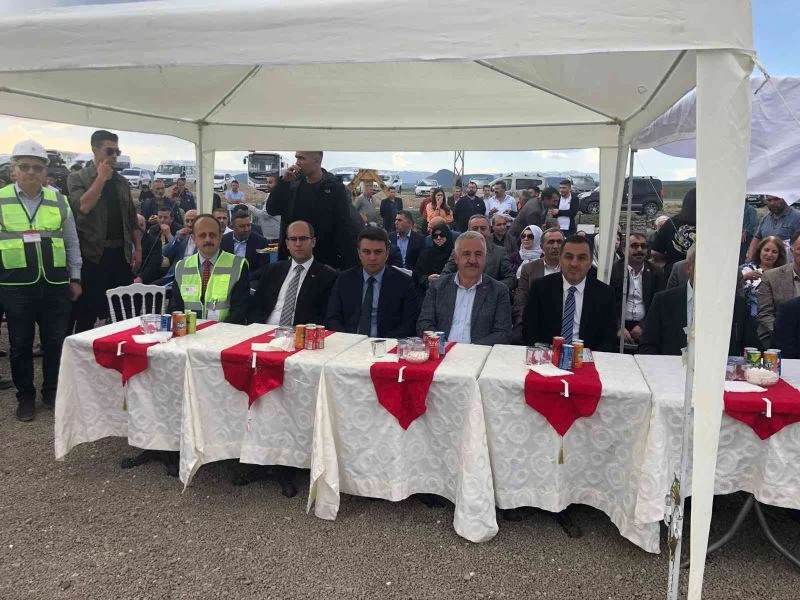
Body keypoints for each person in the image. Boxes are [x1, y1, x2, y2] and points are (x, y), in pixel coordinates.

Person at [0, 140, 83, 420]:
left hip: (55, 285)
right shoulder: (1, 200)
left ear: (45, 171)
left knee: (55, 342)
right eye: (24, 167)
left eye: (37, 167)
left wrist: (75, 277)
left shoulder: (59, 200)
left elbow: (71, 242)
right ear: (14, 170)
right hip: (15, 286)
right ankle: (25, 397)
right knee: (20, 345)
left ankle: (52, 392)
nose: (31, 172)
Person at [67, 130, 141, 333]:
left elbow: (131, 218)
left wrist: (138, 249)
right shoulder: (78, 178)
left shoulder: (121, 181)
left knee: (123, 312)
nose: (114, 156)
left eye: (117, 152)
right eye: (110, 151)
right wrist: (101, 178)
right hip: (93, 256)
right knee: (86, 314)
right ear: (95, 150)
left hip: (120, 256)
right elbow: (83, 207)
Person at [639, 246, 758, 355]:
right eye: (704, 266)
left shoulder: (736, 305)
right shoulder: (663, 302)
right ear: (688, 267)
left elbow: (754, 348)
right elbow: (647, 347)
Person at [522, 235, 617, 351]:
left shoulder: (605, 294)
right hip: (547, 357)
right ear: (560, 259)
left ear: (590, 262)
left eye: (581, 258)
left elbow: (609, 339)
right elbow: (529, 331)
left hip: (588, 358)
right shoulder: (540, 288)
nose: (574, 263)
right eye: (569, 257)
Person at [416, 231, 512, 345]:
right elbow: (424, 324)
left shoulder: (499, 291)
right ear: (456, 258)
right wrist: (444, 346)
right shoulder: (437, 287)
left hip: (479, 353)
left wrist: (468, 350)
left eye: (478, 254)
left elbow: (502, 333)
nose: (472, 260)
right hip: (442, 351)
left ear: (485, 258)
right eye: (466, 254)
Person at [266, 151, 358, 270]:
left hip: (324, 260)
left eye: (302, 158)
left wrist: (340, 264)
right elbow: (272, 210)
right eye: (297, 158)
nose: (297, 163)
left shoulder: (334, 188)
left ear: (317, 160)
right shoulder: (291, 184)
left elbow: (344, 227)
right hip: (292, 258)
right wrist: (283, 183)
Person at [325, 227, 420, 337]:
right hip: (349, 343)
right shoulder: (344, 279)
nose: (372, 258)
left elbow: (409, 324)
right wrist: (348, 340)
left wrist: (380, 344)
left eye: (378, 252)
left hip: (386, 344)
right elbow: (332, 318)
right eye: (366, 252)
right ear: (359, 253)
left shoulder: (403, 282)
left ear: (387, 253)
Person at [248, 220, 337, 325]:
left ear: (313, 242)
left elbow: (324, 316)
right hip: (265, 329)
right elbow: (256, 307)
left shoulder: (327, 277)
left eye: (303, 238)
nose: (298, 244)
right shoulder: (272, 271)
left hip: (301, 332)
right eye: (293, 239)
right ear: (287, 244)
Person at [168, 214, 249, 324]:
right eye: (202, 235)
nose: (208, 239)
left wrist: (214, 330)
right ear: (194, 238)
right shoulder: (181, 267)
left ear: (220, 237)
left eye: (212, 235)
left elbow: (239, 311)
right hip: (189, 330)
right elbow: (176, 308)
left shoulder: (238, 265)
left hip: (225, 331)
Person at [609, 232, 666, 346]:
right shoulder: (614, 271)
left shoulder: (656, 273)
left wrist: (643, 326)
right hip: (618, 326)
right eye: (634, 246)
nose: (639, 250)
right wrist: (619, 327)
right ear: (624, 250)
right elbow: (608, 304)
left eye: (643, 246)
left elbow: (660, 304)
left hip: (646, 326)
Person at [512, 228, 564, 342]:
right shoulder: (529, 268)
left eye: (559, 242)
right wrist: (523, 322)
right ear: (541, 247)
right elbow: (521, 299)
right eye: (551, 242)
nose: (556, 246)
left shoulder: (570, 269)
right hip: (535, 323)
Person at [440, 215, 516, 290]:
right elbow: (445, 275)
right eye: (475, 229)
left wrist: (491, 289)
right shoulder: (458, 251)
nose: (479, 232)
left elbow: (511, 279)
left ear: (489, 231)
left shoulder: (500, 252)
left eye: (483, 228)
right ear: (468, 231)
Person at [756, 231, 800, 347]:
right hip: (778, 337)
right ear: (791, 251)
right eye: (799, 249)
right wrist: (784, 331)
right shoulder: (771, 277)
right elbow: (765, 314)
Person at [651, 188, 696, 278]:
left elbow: (655, 252)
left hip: (674, 273)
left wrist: (667, 260)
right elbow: (655, 251)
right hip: (680, 275)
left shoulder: (671, 223)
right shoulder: (711, 225)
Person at [739, 235, 786, 322]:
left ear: (779, 255)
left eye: (774, 252)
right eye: (766, 250)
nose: (769, 254)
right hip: (745, 319)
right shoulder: (744, 269)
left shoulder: (784, 274)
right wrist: (744, 278)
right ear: (760, 250)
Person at [221, 209, 268, 286]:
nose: (246, 229)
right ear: (233, 227)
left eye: (248, 225)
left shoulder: (261, 242)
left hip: (250, 281)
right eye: (242, 226)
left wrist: (244, 278)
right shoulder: (223, 241)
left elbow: (264, 267)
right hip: (226, 279)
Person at [746, 195, 800, 263]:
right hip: (766, 264)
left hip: (786, 265)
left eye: (776, 199)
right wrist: (750, 259)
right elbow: (757, 238)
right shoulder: (766, 218)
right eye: (769, 200)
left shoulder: (797, 218)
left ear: (784, 199)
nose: (772, 203)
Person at [413, 222, 455, 294]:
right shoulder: (426, 253)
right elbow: (417, 274)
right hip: (429, 291)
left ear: (447, 235)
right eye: (435, 236)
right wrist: (427, 278)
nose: (438, 238)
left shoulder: (454, 253)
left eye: (442, 235)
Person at [160, 209, 198, 287]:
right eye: (187, 221)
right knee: (151, 289)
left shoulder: (203, 239)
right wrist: (177, 239)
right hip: (175, 275)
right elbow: (165, 253)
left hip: (193, 277)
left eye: (193, 221)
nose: (189, 224)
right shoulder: (180, 234)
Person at [135, 214, 168, 285]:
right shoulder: (125, 242)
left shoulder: (154, 241)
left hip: (146, 280)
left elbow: (154, 264)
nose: (139, 228)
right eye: (136, 226)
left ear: (145, 225)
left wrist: (141, 277)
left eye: (141, 225)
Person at [741, 199, 758, 265]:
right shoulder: (740, 209)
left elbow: (753, 223)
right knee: (741, 253)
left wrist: (745, 231)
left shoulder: (751, 209)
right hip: (741, 234)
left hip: (748, 235)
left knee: (748, 252)